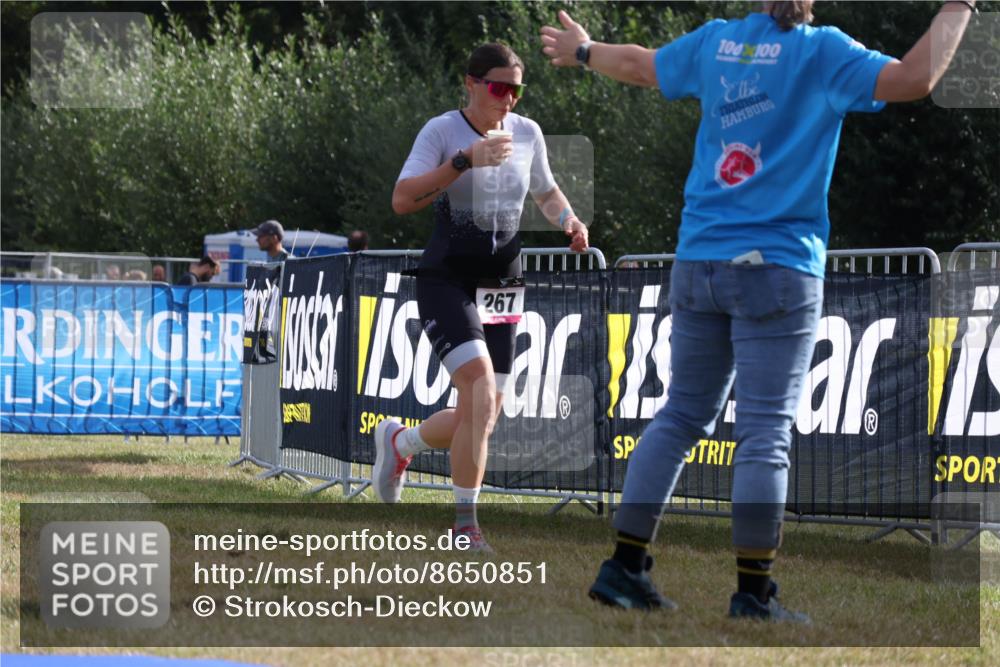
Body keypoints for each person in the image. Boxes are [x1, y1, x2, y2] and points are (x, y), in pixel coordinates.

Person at [541, 0, 976, 620]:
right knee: (764, 433)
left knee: (681, 414)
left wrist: (584, 51)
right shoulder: (821, 50)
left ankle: (624, 568)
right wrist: (960, 7)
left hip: (698, 259)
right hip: (776, 266)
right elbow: (915, 78)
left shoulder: (718, 42)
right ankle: (753, 593)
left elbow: (641, 66)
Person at [382, 42, 589, 551]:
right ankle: (465, 528)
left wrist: (568, 220)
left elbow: (544, 190)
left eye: (517, 90)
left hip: (502, 282)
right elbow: (403, 199)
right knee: (475, 388)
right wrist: (463, 161)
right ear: (471, 83)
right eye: (499, 88)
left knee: (485, 412)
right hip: (447, 277)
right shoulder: (442, 131)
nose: (509, 100)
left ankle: (400, 442)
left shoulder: (528, 133)